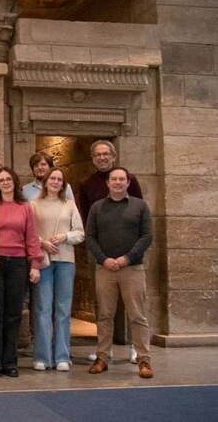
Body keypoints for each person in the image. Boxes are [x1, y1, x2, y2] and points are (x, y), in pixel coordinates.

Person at [0, 167, 42, 378]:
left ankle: (10, 362)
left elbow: (32, 238)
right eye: (1, 180)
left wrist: (35, 265)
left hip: (18, 264)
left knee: (13, 314)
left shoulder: (25, 207)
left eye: (8, 179)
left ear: (15, 181)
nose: (5, 182)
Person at [78, 139, 142, 364]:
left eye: (106, 154)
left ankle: (137, 347)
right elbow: (86, 223)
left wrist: (130, 254)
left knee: (134, 304)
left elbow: (139, 213)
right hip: (100, 255)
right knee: (103, 304)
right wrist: (100, 255)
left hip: (130, 255)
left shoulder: (129, 180)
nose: (102, 158)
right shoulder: (86, 185)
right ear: (93, 158)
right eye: (97, 155)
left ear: (114, 156)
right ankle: (105, 350)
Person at [86, 167, 154, 379]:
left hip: (132, 268)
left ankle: (144, 360)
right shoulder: (97, 207)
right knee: (105, 315)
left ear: (128, 183)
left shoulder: (140, 206)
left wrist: (127, 258)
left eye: (121, 179)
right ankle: (103, 358)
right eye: (113, 179)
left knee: (137, 316)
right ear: (107, 183)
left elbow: (147, 236)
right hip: (104, 269)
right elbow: (90, 237)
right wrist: (103, 259)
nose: (117, 182)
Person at [30, 168, 85, 372]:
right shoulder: (34, 205)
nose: (55, 181)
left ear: (63, 184)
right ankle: (42, 357)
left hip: (65, 260)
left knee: (63, 309)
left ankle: (62, 355)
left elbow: (80, 233)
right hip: (43, 261)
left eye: (59, 179)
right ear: (45, 182)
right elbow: (28, 233)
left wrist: (64, 237)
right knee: (43, 309)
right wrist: (42, 243)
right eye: (52, 178)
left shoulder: (69, 205)